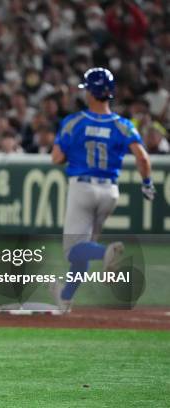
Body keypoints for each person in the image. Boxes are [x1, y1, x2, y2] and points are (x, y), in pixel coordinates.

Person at [50, 67, 154, 313]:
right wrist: (147, 183)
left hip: (83, 188)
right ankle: (66, 297)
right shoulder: (123, 125)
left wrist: (73, 152)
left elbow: (55, 158)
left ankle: (106, 251)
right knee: (83, 251)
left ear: (90, 92)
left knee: (74, 251)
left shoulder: (74, 121)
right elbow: (142, 158)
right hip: (110, 191)